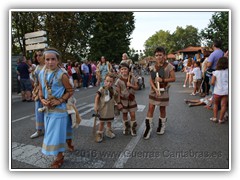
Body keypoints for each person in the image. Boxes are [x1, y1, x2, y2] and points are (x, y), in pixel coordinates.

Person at [38, 48, 74, 168]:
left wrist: (59, 100)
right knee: (54, 132)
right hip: (47, 110)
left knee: (55, 134)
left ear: (58, 60)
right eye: (47, 59)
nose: (50, 62)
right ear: (44, 60)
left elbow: (70, 90)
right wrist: (42, 99)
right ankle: (68, 141)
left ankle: (59, 157)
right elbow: (39, 89)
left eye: (53, 59)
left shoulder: (62, 74)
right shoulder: (41, 73)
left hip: (59, 110)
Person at [143, 46, 175, 140]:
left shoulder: (169, 66)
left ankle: (162, 126)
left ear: (164, 55)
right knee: (150, 108)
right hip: (154, 91)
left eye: (160, 55)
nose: (158, 57)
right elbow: (151, 80)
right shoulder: (153, 67)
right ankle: (148, 128)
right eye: (156, 55)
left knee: (162, 109)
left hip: (164, 90)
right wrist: (155, 89)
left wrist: (163, 79)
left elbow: (173, 78)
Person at [115, 63, 139, 136]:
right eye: (122, 69)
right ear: (120, 71)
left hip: (131, 99)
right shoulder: (118, 81)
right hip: (123, 100)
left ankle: (133, 128)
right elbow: (118, 93)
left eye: (125, 69)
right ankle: (126, 127)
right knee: (124, 114)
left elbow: (137, 87)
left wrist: (131, 85)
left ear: (128, 69)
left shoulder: (132, 78)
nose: (124, 70)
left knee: (132, 114)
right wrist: (118, 103)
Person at [94, 73, 118, 143]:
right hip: (103, 108)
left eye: (110, 81)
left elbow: (116, 96)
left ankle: (108, 131)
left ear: (113, 82)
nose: (108, 83)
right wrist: (96, 105)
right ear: (104, 81)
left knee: (109, 121)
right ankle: (100, 133)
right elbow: (97, 97)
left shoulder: (113, 89)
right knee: (102, 122)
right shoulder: (102, 89)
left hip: (110, 108)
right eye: (107, 81)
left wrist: (117, 103)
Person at [30, 50, 45, 139]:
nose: (38, 57)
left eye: (40, 55)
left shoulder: (48, 66)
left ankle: (51, 130)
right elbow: (35, 82)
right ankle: (39, 130)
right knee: (38, 111)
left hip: (48, 93)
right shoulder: (37, 67)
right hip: (38, 92)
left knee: (49, 111)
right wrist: (34, 92)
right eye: (36, 56)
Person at [210, 57, 228, 124]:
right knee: (224, 105)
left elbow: (212, 82)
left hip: (217, 91)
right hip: (226, 91)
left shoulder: (215, 72)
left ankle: (215, 118)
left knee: (216, 104)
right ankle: (221, 119)